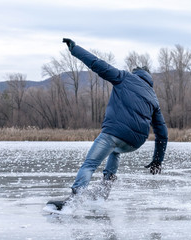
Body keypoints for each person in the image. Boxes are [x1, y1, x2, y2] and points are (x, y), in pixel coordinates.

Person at [47, 38, 168, 210]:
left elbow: (98, 64)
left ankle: (73, 201)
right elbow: (162, 133)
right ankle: (103, 193)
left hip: (113, 133)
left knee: (90, 164)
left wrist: (75, 49)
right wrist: (157, 160)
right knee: (115, 151)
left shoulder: (125, 77)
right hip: (134, 142)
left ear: (136, 73)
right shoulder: (153, 97)